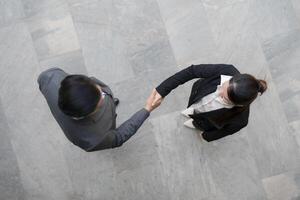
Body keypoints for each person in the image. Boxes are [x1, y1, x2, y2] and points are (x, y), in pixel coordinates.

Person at [38, 68, 162, 152]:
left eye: (96, 87)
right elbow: (118, 137)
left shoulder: (49, 77)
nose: (104, 91)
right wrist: (147, 109)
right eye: (100, 99)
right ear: (86, 113)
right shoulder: (95, 139)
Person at [152, 64, 267, 142]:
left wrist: (206, 136)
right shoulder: (227, 71)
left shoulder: (240, 120)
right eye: (223, 85)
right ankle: (190, 111)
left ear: (239, 104)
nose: (219, 91)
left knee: (196, 122)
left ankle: (194, 122)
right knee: (191, 109)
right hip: (197, 98)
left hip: (203, 122)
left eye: (224, 97)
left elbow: (223, 132)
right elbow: (192, 71)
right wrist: (162, 90)